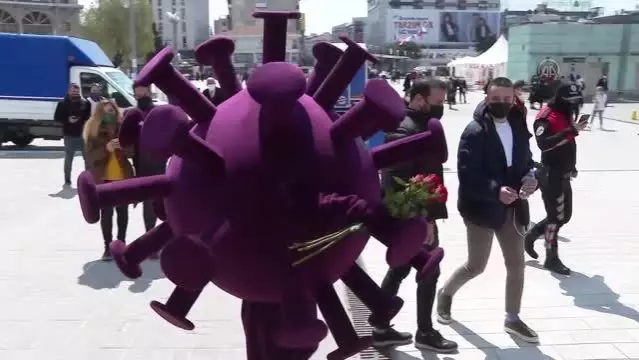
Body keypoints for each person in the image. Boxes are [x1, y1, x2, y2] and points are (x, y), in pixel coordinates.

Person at [437, 77, 539, 343]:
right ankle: (445, 293)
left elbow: (527, 160)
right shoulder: (474, 130)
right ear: (486, 97)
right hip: (481, 208)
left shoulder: (518, 125)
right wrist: (496, 191)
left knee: (516, 265)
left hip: (514, 207)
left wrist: (531, 176)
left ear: (514, 99)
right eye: (496, 99)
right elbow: (468, 174)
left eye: (507, 99)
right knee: (476, 265)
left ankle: (513, 319)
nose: (502, 104)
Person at [370, 78, 458, 353]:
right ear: (419, 99)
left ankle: (381, 328)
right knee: (428, 271)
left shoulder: (420, 126)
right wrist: (423, 219)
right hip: (414, 217)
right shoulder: (403, 131)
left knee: (400, 269)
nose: (441, 107)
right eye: (438, 101)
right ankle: (425, 332)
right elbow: (396, 183)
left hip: (420, 214)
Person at [524, 82, 586, 275]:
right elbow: (544, 144)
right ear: (560, 99)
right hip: (551, 174)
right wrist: (572, 130)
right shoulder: (545, 116)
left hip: (564, 173)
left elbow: (568, 144)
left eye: (576, 101)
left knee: (564, 217)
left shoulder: (566, 112)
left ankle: (532, 234)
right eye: (570, 101)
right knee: (554, 219)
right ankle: (551, 258)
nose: (573, 105)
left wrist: (572, 166)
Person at [83, 99, 135, 261]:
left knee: (122, 212)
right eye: (105, 112)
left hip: (122, 177)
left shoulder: (122, 128)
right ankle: (107, 247)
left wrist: (123, 147)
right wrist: (106, 149)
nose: (109, 114)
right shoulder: (93, 129)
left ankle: (121, 244)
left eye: (111, 111)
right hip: (103, 178)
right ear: (99, 113)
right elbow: (91, 157)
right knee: (106, 214)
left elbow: (132, 152)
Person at [132, 85, 167, 259]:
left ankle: (161, 241)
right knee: (148, 207)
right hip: (142, 167)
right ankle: (151, 244)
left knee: (162, 206)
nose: (140, 93)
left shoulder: (158, 112)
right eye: (137, 91)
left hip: (159, 165)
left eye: (143, 90)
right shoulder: (131, 114)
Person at [54, 82, 91, 186]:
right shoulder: (62, 103)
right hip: (69, 135)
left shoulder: (85, 103)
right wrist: (68, 120)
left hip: (83, 135)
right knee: (68, 159)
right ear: (69, 91)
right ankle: (67, 179)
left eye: (76, 91)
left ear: (79, 91)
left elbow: (89, 118)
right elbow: (57, 118)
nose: (74, 92)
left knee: (87, 159)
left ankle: (88, 179)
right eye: (72, 90)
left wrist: (82, 121)